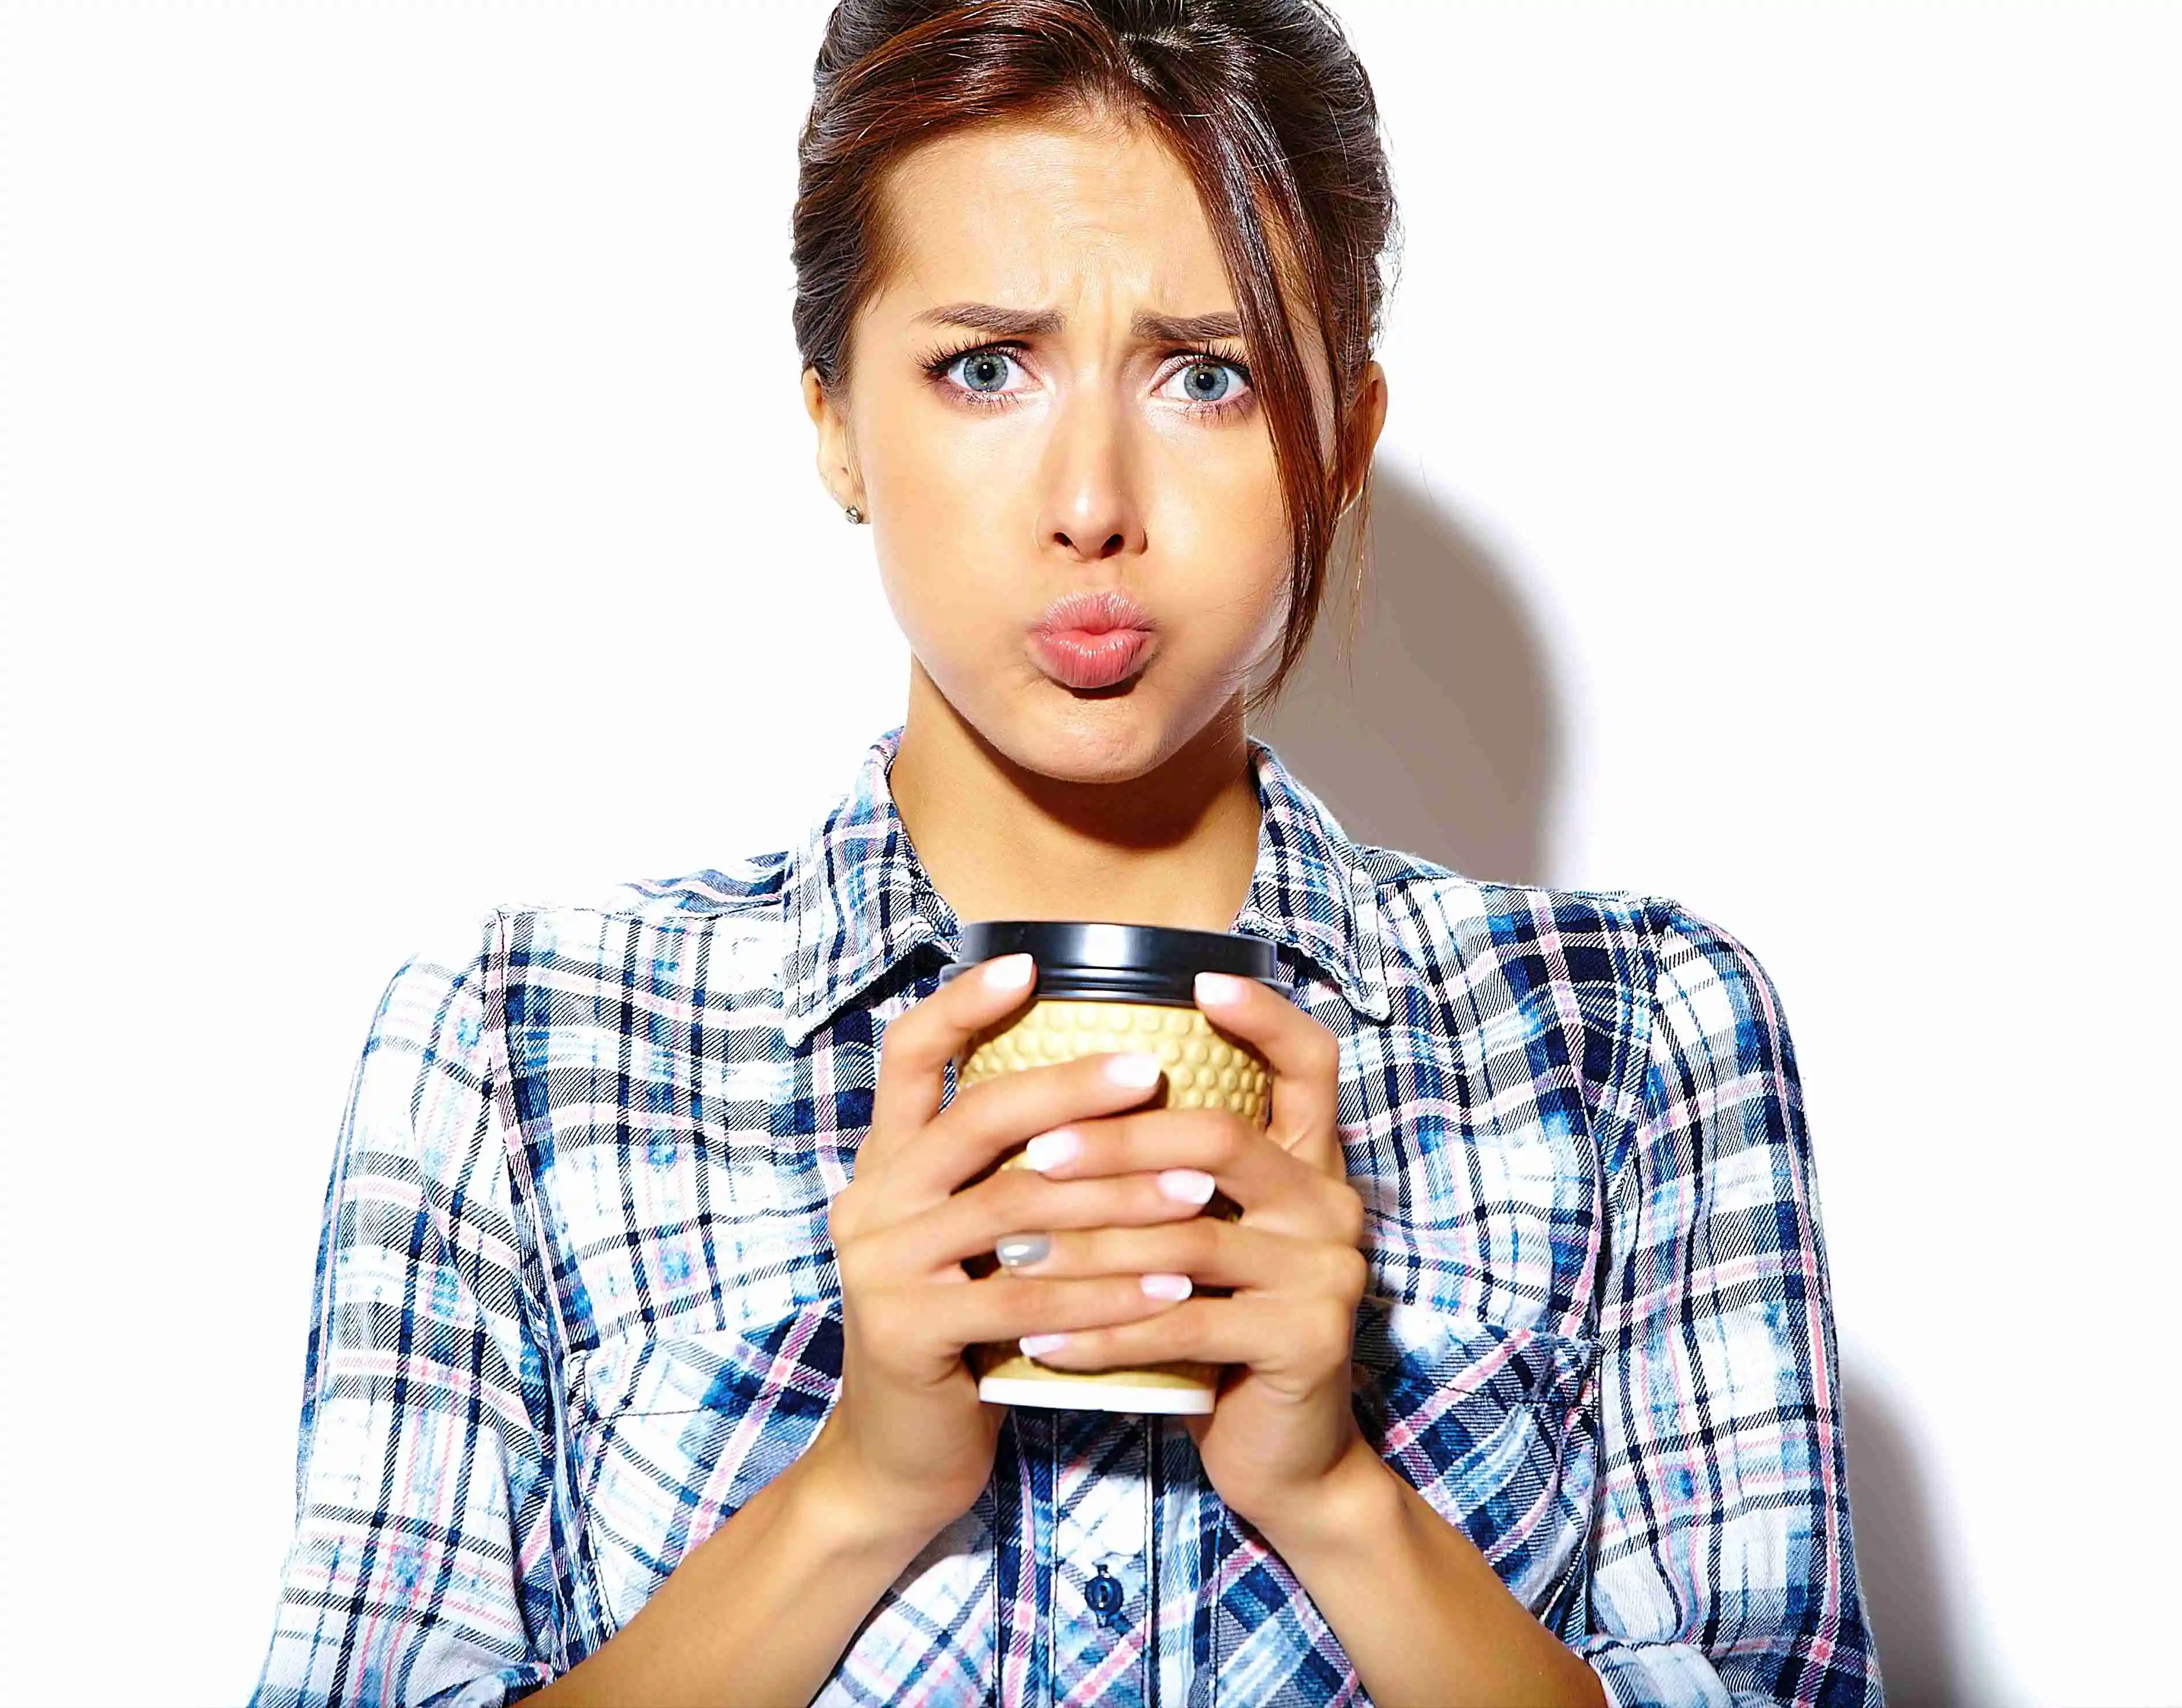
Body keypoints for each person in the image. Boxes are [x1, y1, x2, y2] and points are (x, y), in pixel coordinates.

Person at [250, 2, 1883, 1704]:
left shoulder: (1628, 1036)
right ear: (831, 417)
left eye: (1208, 372)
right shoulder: (526, 1045)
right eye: (986, 366)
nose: (1091, 498)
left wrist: (1338, 1501)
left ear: (1344, 434)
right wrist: (855, 1493)